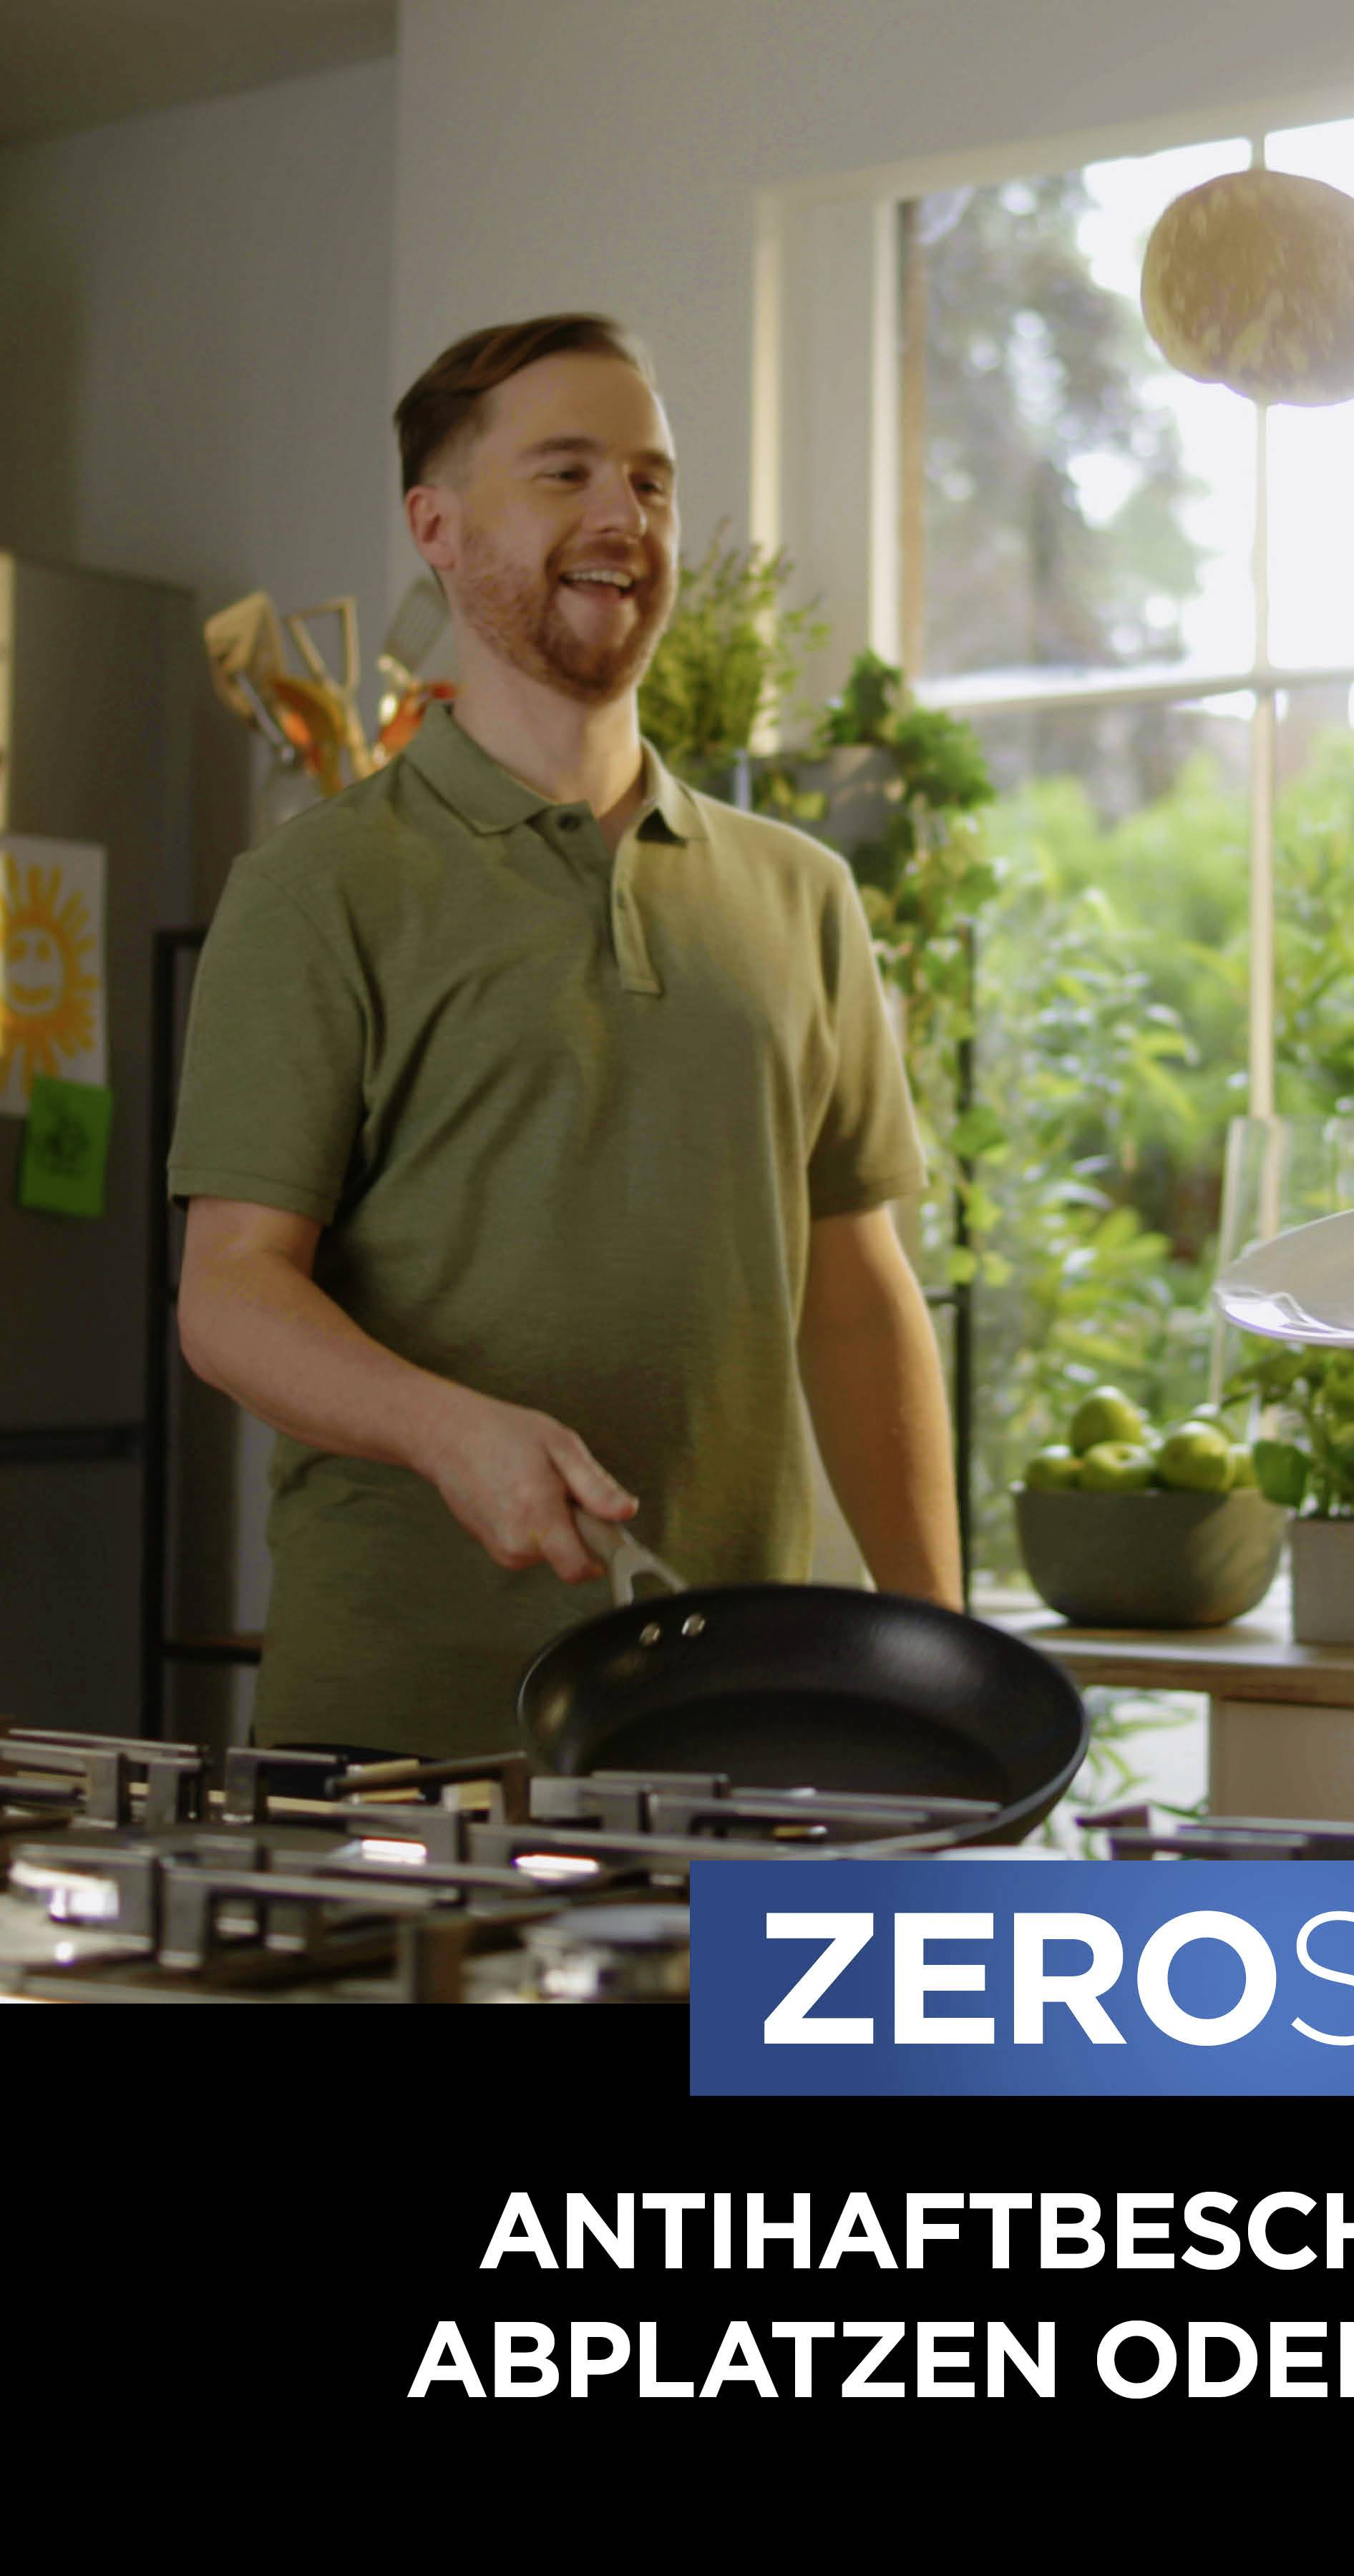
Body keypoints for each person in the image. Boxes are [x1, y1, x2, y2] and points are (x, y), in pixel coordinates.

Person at [171, 313, 958, 1761]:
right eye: (567, 473)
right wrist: (448, 1427)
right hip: (399, 1737)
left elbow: (856, 1301)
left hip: (730, 1722)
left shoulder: (803, 900)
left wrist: (944, 1673)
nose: (625, 519)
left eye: (651, 483)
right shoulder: (317, 889)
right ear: (440, 525)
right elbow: (227, 1296)